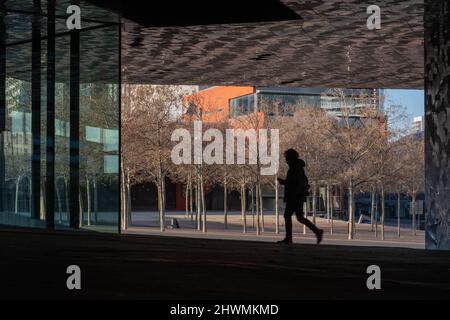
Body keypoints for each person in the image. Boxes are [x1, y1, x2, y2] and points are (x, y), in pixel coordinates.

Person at [277, 149, 323, 244]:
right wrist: (284, 182)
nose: (285, 160)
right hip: (297, 196)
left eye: (286, 157)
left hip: (294, 197)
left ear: (290, 158)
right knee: (299, 217)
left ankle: (289, 238)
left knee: (287, 215)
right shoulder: (297, 167)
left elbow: (297, 183)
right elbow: (295, 182)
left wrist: (286, 184)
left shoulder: (295, 168)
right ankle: (317, 231)